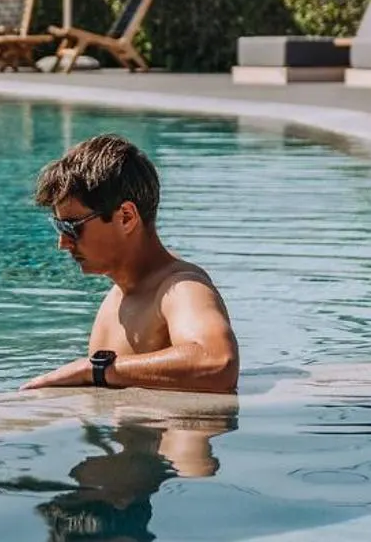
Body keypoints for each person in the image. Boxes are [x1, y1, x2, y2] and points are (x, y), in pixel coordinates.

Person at [23, 133, 239, 395]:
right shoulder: (115, 300)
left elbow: (217, 362)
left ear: (126, 217)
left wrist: (93, 369)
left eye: (71, 227)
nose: (63, 243)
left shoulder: (180, 288)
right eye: (58, 227)